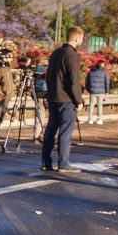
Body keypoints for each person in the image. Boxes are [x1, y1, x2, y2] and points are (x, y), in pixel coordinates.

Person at [41, 26, 85, 173]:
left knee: (50, 131)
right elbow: (73, 80)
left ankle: (46, 162)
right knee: (65, 132)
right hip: (66, 99)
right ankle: (63, 163)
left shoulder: (56, 53)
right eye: (81, 38)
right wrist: (78, 100)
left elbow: (49, 75)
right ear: (77, 38)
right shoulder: (71, 55)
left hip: (53, 96)